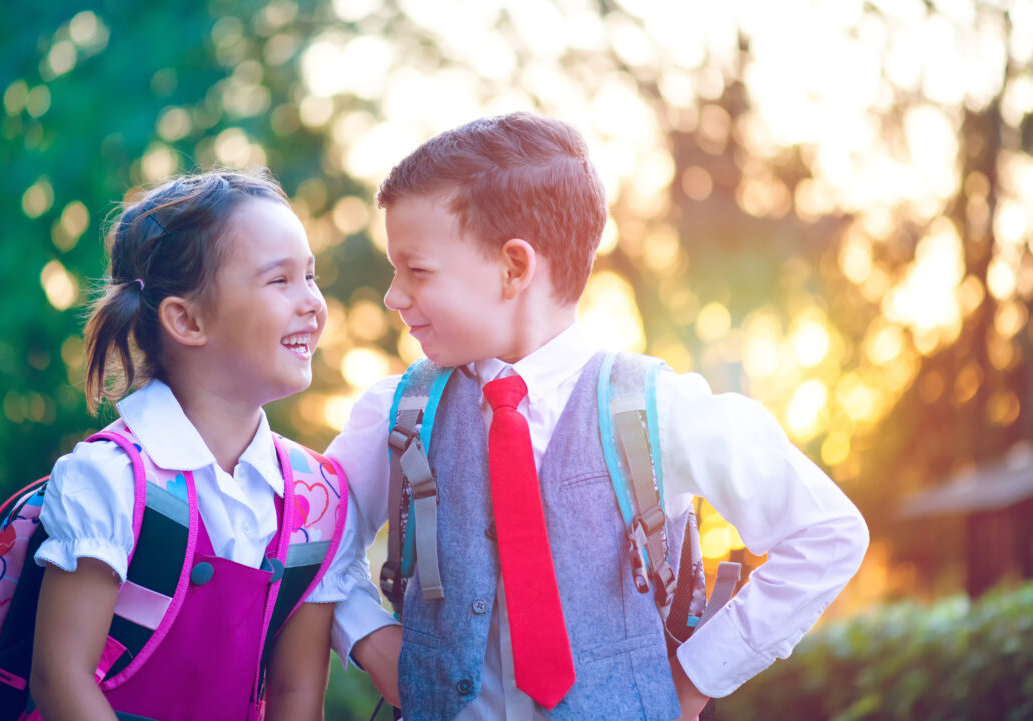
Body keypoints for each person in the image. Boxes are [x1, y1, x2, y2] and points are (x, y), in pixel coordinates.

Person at [325, 112, 871, 721]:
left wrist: (695, 679)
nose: (392, 295)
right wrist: (369, 639)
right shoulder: (398, 415)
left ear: (513, 267)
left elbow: (827, 534)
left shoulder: (657, 411)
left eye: (416, 270)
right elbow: (309, 536)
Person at [28, 168, 398, 721]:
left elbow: (296, 695)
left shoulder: (317, 502)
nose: (313, 303)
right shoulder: (111, 479)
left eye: (311, 277)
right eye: (280, 281)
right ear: (187, 319)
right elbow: (60, 679)